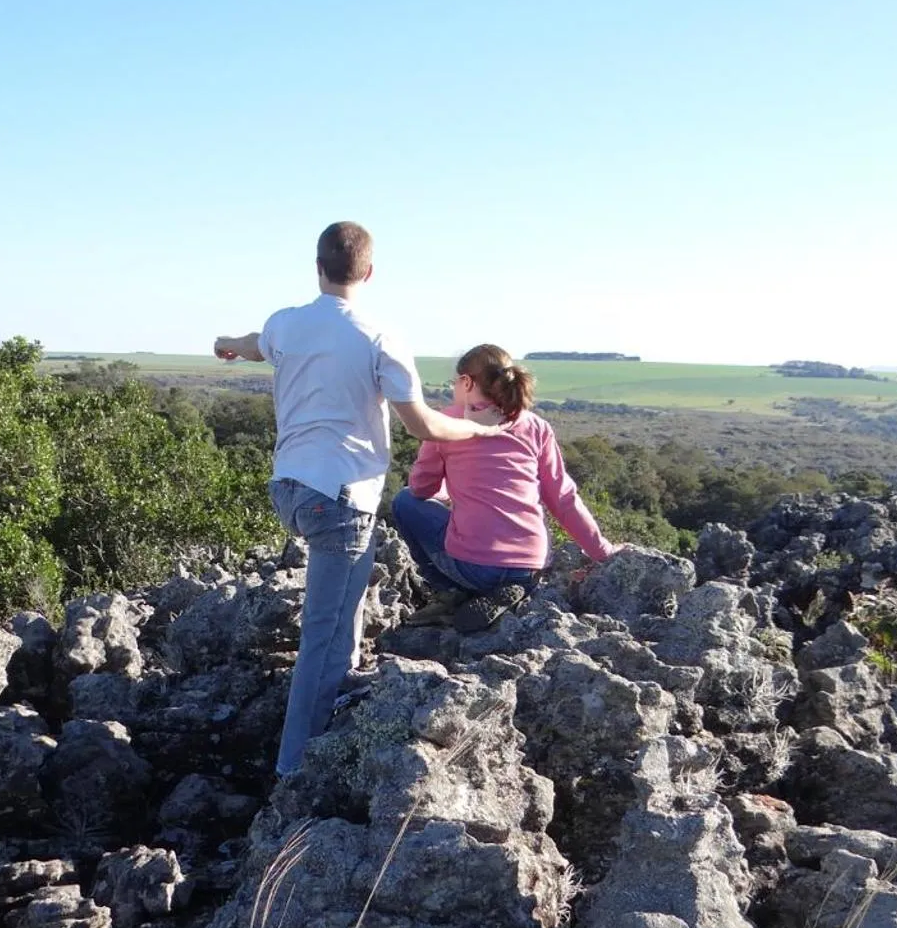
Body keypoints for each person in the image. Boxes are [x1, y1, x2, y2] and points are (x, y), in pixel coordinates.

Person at [213, 222, 495, 777]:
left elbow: (250, 345)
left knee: (350, 589)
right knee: (323, 632)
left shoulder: (287, 323)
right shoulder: (380, 337)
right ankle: (294, 770)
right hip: (340, 496)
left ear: (317, 267)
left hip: (289, 489)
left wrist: (224, 345)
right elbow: (422, 426)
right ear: (368, 272)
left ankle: (340, 689)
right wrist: (480, 432)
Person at [391, 344, 620, 630]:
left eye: (455, 382)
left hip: (477, 568)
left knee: (404, 501)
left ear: (467, 382)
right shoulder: (535, 426)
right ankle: (511, 590)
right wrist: (603, 552)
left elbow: (421, 489)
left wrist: (446, 494)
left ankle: (451, 593)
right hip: (530, 565)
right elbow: (562, 498)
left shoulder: (447, 423)